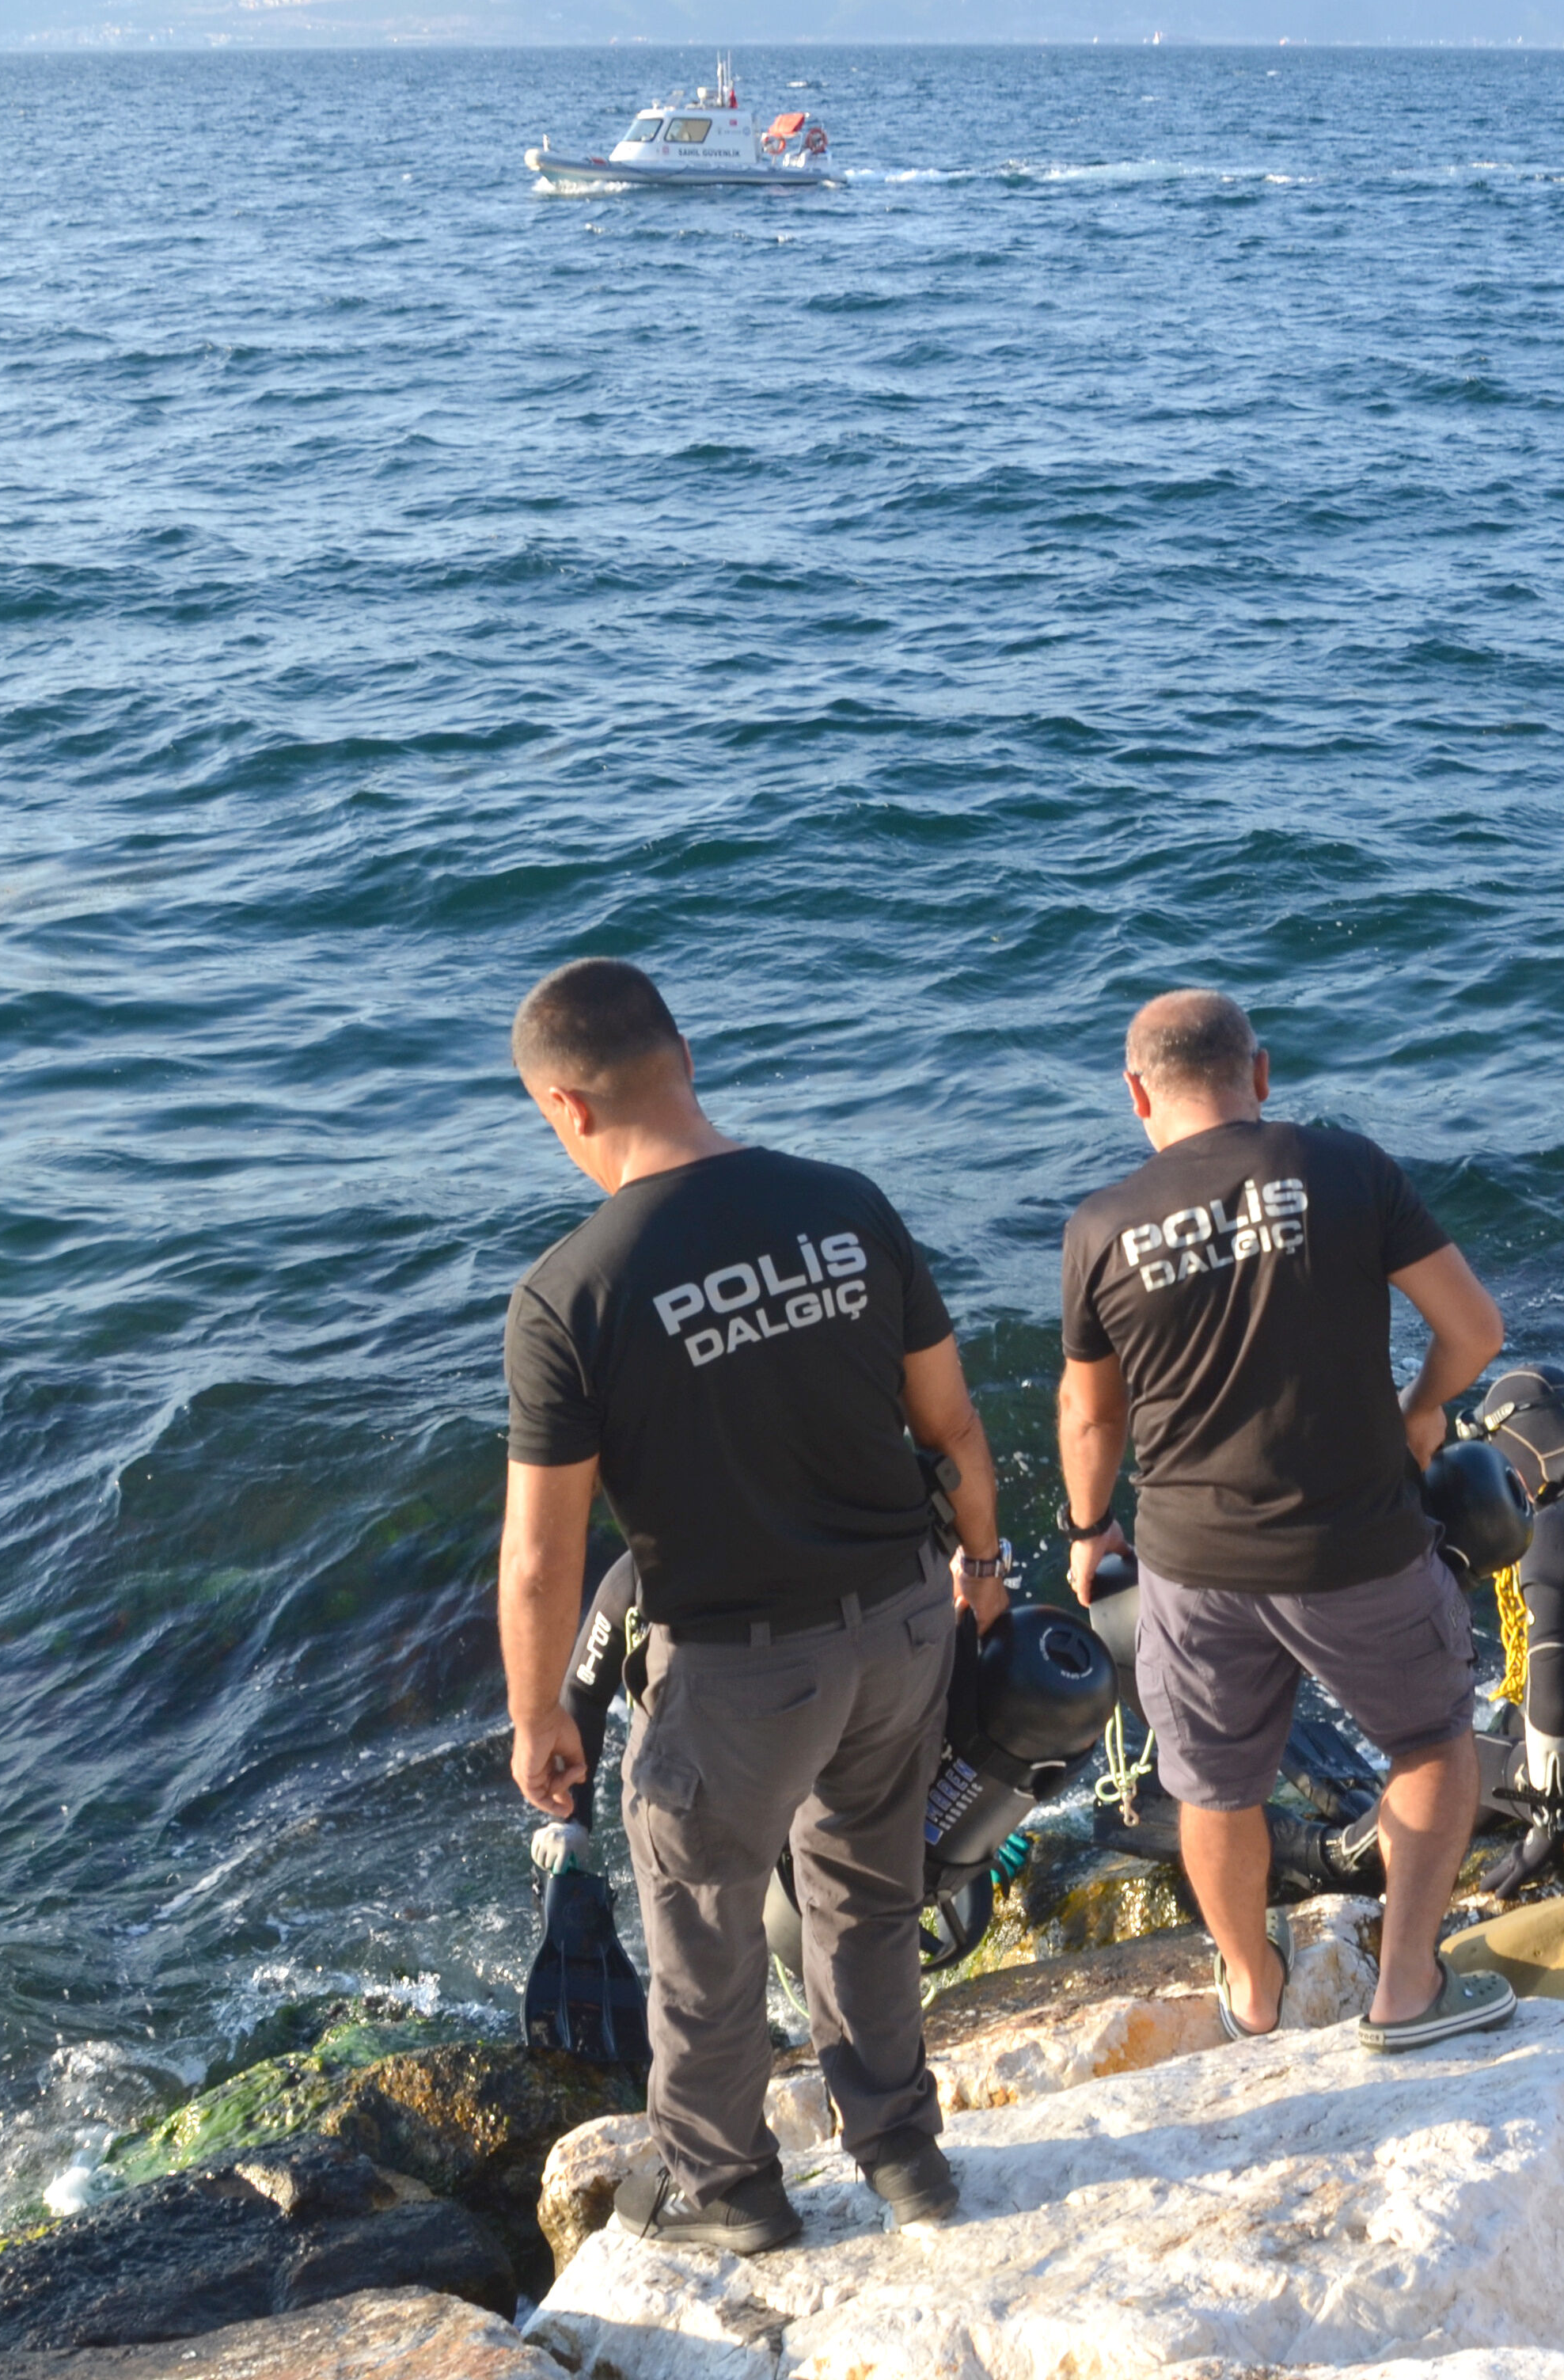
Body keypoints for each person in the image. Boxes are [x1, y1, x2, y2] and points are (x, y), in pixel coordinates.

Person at [494, 957, 1005, 2251]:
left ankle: (731, 2196)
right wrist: (982, 1574)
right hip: (901, 1625)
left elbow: (544, 1559)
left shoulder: (571, 1292)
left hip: (734, 1671)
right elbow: (950, 1429)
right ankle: (903, 2158)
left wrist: (539, 1710)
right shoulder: (846, 1206)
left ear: (567, 1106)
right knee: (869, 1896)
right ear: (685, 1057)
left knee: (705, 1933)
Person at [1055, 988, 1513, 2050]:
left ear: (1136, 1096)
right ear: (1259, 1073)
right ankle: (1405, 1992)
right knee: (1435, 1749)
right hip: (1359, 1543)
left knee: (1215, 1789)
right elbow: (1475, 1328)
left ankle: (1254, 1997)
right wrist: (1420, 1412)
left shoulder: (1102, 1227)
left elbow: (1090, 1409)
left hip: (1190, 1563)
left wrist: (1091, 1533)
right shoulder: (1343, 1167)